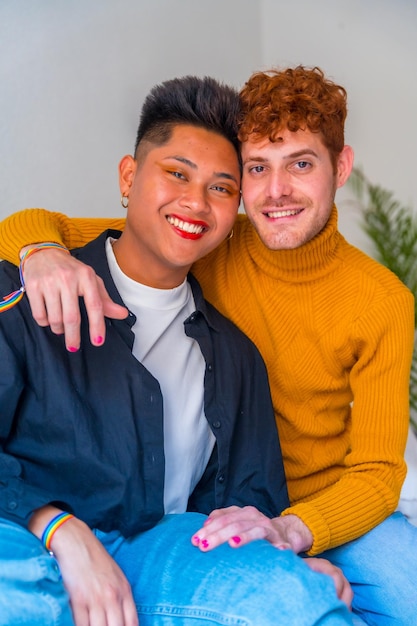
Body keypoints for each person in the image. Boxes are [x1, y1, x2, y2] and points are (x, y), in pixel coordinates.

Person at [1, 65, 416, 625]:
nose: (277, 192)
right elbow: (55, 226)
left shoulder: (371, 302)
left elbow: (375, 471)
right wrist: (38, 253)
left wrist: (288, 540)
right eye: (257, 170)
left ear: (340, 168)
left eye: (301, 164)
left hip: (314, 503)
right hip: (84, 522)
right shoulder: (199, 237)